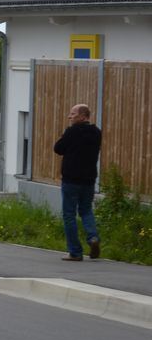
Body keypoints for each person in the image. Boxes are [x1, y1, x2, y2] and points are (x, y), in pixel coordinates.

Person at [54, 103, 102, 261]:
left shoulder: (71, 132)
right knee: (86, 210)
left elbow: (58, 149)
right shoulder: (96, 132)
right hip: (89, 180)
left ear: (83, 116)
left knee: (69, 215)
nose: (70, 116)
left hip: (71, 179)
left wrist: (65, 135)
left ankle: (75, 252)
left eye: (73, 113)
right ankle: (93, 238)